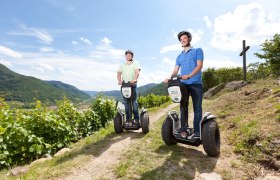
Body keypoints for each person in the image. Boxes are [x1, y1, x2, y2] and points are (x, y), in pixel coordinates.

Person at [164, 31, 204, 139]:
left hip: (196, 83)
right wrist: (170, 77)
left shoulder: (197, 50)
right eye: (181, 39)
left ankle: (197, 132)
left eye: (185, 38)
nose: (183, 40)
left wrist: (190, 75)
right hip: (183, 85)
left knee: (197, 108)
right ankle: (183, 129)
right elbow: (176, 70)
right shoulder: (179, 56)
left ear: (189, 39)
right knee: (183, 107)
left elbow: (199, 65)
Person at [117, 50, 141, 125]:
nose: (128, 56)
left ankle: (136, 119)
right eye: (127, 55)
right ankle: (128, 120)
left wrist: (135, 79)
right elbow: (118, 73)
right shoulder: (122, 65)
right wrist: (119, 80)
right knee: (126, 103)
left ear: (132, 56)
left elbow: (137, 71)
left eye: (129, 55)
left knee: (134, 103)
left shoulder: (136, 63)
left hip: (132, 85)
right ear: (125, 56)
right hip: (124, 86)